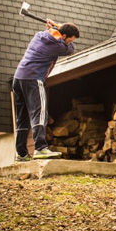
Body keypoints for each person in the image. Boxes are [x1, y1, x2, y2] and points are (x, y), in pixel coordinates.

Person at [12, 20, 80, 161]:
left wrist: (56, 29)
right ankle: (40, 148)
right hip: (33, 78)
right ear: (63, 36)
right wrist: (58, 28)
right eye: (69, 40)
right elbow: (70, 49)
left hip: (18, 79)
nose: (69, 43)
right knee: (40, 112)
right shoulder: (57, 45)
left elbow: (57, 36)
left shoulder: (39, 35)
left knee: (22, 117)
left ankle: (21, 153)